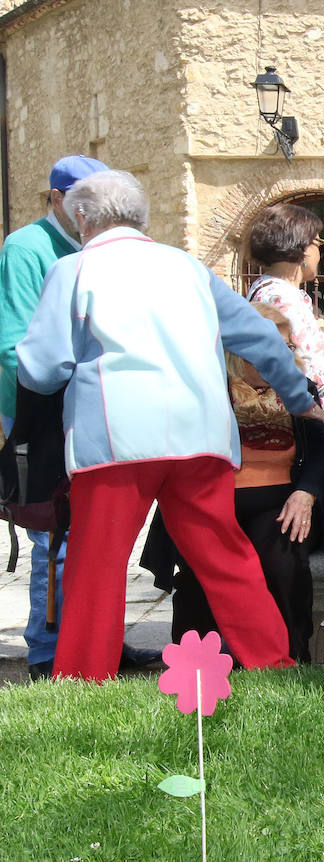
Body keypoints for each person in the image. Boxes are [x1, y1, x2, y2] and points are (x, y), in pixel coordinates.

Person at [16, 170, 324, 681]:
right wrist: (301, 400)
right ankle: (272, 663)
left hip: (114, 441)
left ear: (83, 218)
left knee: (96, 566)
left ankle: (81, 677)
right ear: (142, 219)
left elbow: (42, 368)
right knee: (226, 558)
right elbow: (265, 341)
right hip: (199, 436)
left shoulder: (73, 270)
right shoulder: (188, 268)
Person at [142, 303, 324, 663]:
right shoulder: (210, 386)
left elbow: (323, 449)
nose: (278, 356)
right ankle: (194, 666)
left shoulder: (300, 389)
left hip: (280, 503)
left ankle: (290, 658)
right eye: (268, 347)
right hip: (213, 504)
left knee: (283, 562)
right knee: (200, 569)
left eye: (286, 347)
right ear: (239, 348)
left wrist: (306, 493)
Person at [0, 154, 114, 680]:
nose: (91, 211)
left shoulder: (101, 248)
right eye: (81, 202)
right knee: (53, 538)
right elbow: (13, 347)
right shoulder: (26, 248)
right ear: (55, 200)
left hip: (100, 416)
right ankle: (49, 654)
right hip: (45, 420)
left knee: (98, 538)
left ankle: (96, 645)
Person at [246, 204, 324, 404]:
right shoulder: (284, 299)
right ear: (303, 248)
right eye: (319, 243)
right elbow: (305, 382)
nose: (320, 253)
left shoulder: (264, 287)